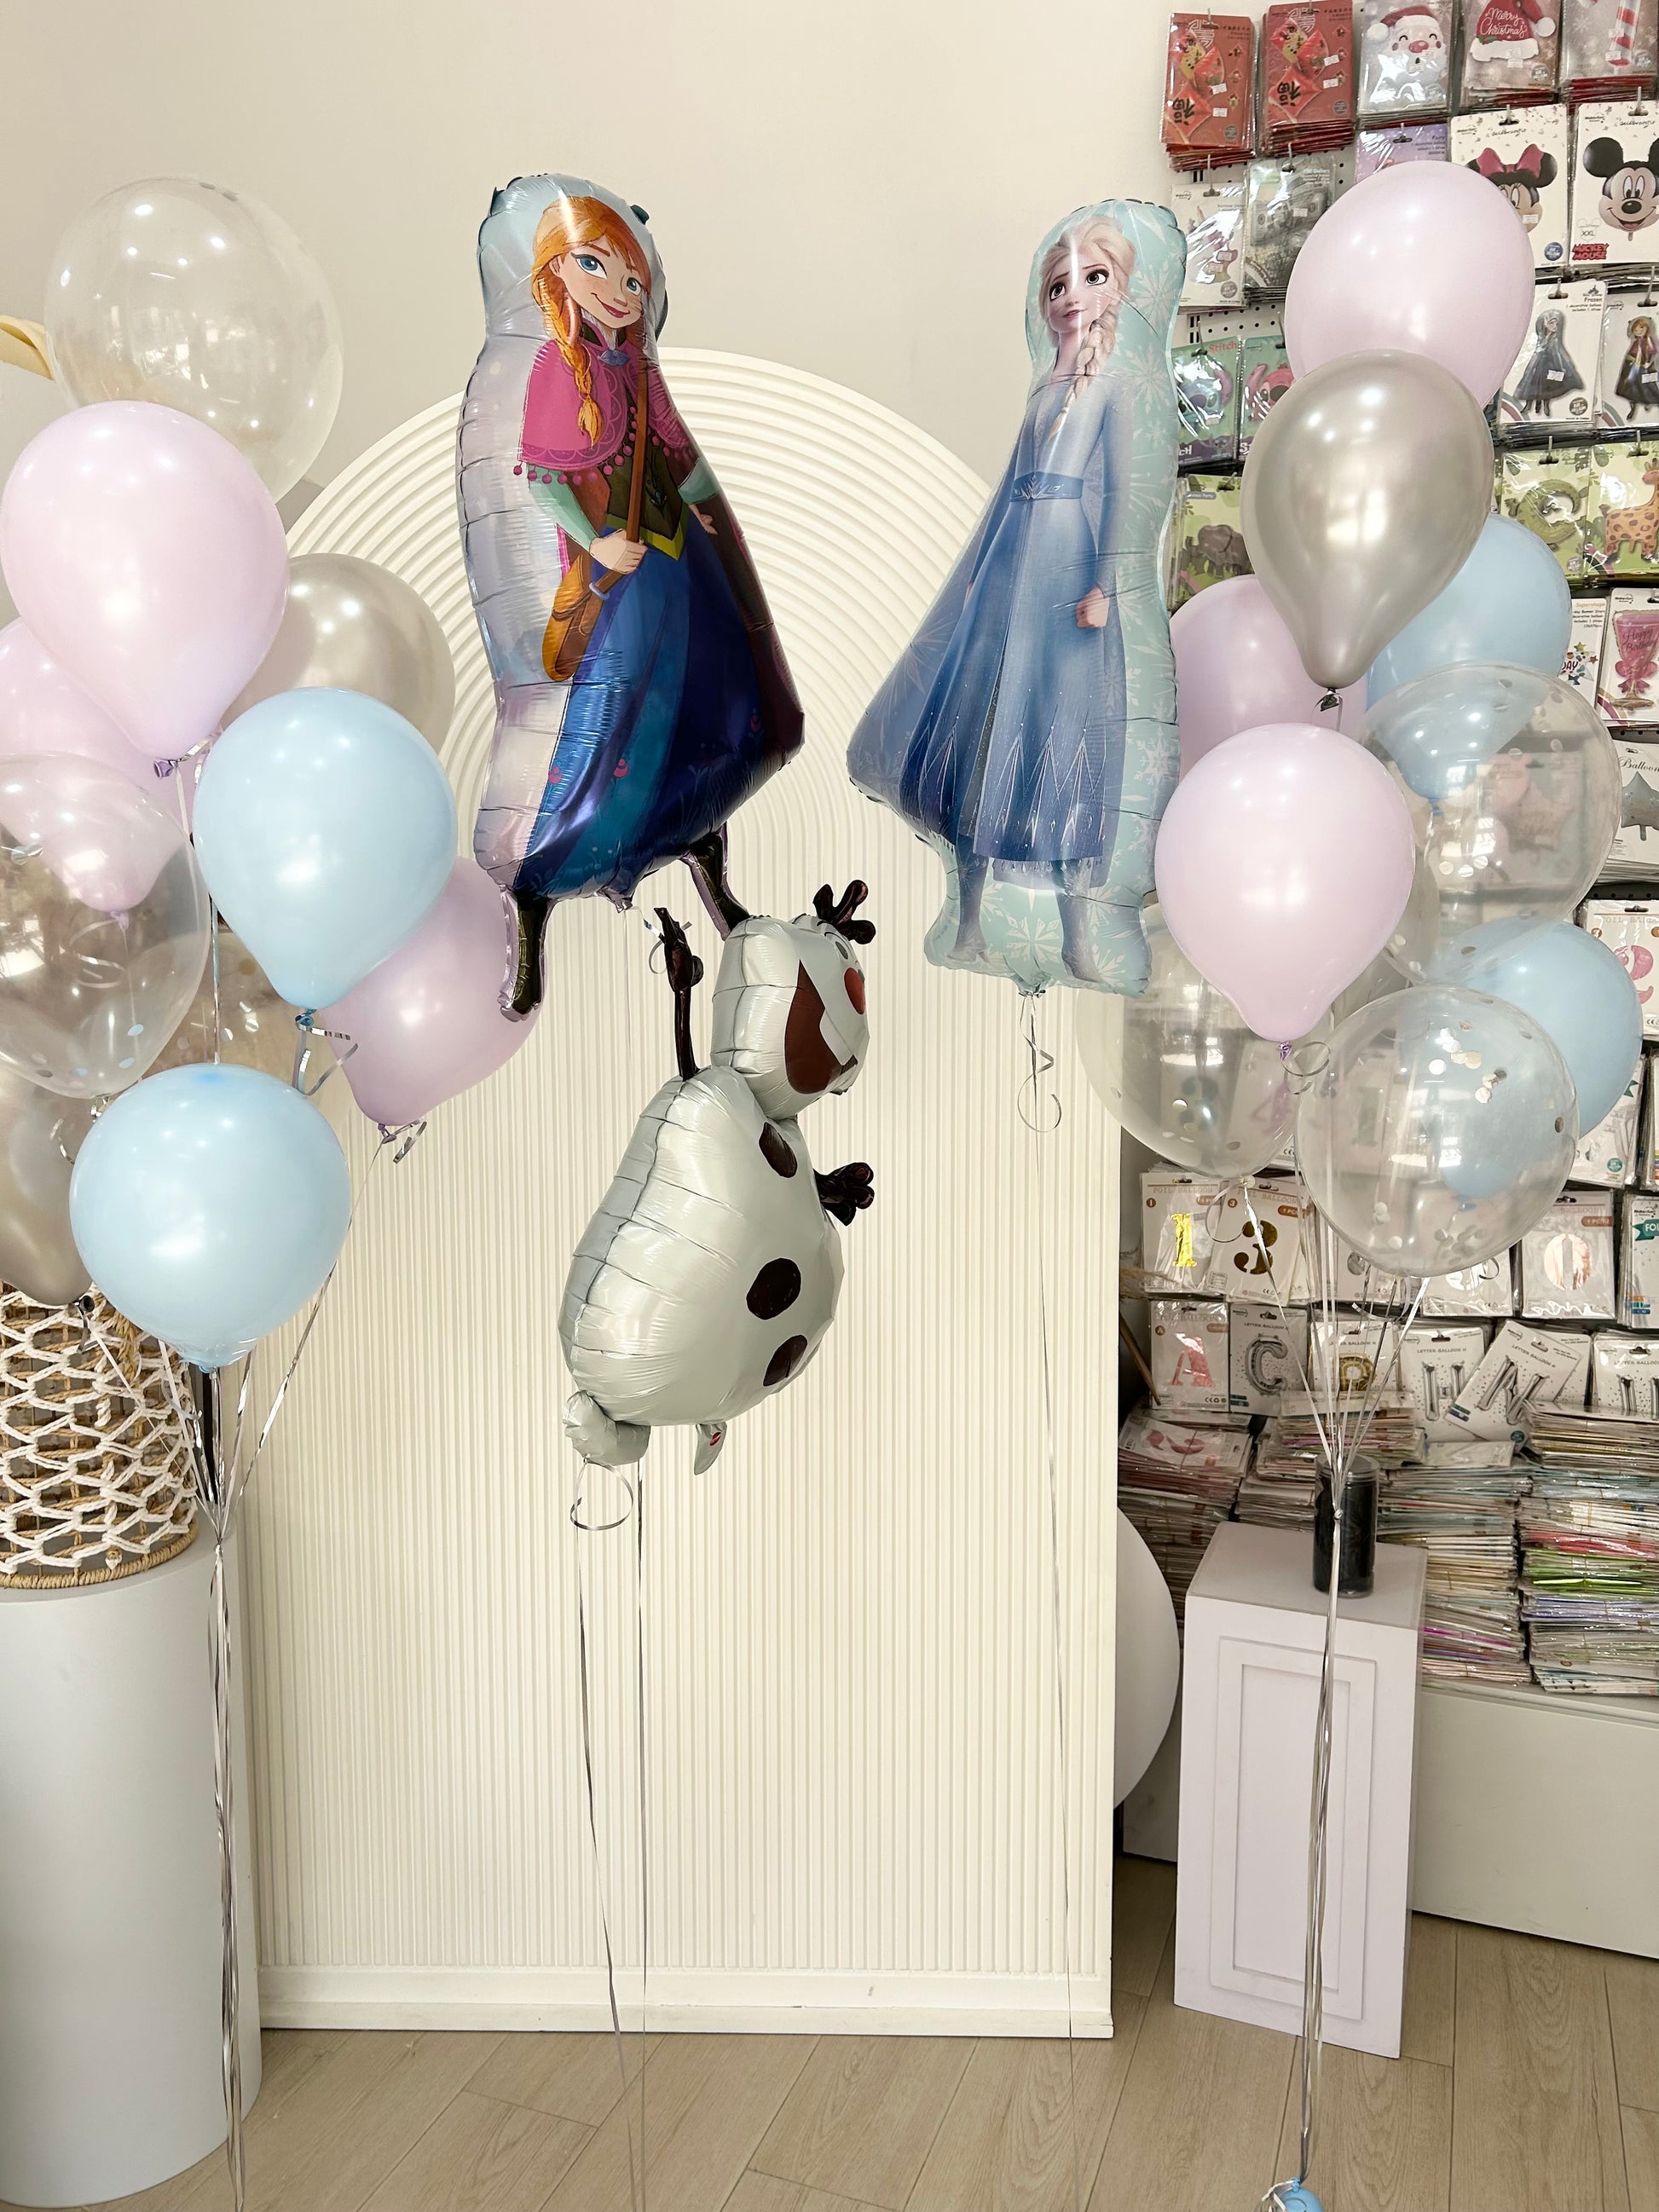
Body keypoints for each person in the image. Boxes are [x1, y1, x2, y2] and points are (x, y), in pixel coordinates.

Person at [465, 186, 801, 1014]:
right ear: (554, 272)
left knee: (710, 702)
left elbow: (682, 463)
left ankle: (699, 848)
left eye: (630, 276)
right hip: (620, 574)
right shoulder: (555, 365)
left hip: (679, 558)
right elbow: (544, 478)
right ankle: (539, 880)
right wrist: (597, 539)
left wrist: (721, 537)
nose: (617, 290)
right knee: (618, 716)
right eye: (594, 265)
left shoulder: (637, 368)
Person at [849, 210, 1163, 985]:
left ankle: (1078, 938)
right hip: (1010, 562)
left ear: (1119, 290)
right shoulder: (1044, 386)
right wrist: (978, 569)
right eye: (1058, 285)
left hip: (1066, 557)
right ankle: (967, 920)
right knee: (984, 730)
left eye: (1092, 278)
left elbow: (1121, 490)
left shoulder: (1112, 387)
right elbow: (1008, 484)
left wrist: (1104, 582)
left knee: (1063, 733)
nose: (1071, 296)